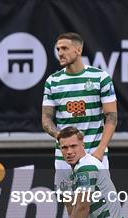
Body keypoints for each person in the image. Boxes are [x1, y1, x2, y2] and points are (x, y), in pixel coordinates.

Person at [42, 32, 118, 199]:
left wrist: (100, 150)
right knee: (72, 208)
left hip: (93, 152)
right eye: (58, 49)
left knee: (97, 206)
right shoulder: (52, 81)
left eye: (64, 48)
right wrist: (60, 136)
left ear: (78, 49)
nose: (60, 53)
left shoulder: (100, 78)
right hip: (65, 157)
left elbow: (111, 117)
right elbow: (46, 119)